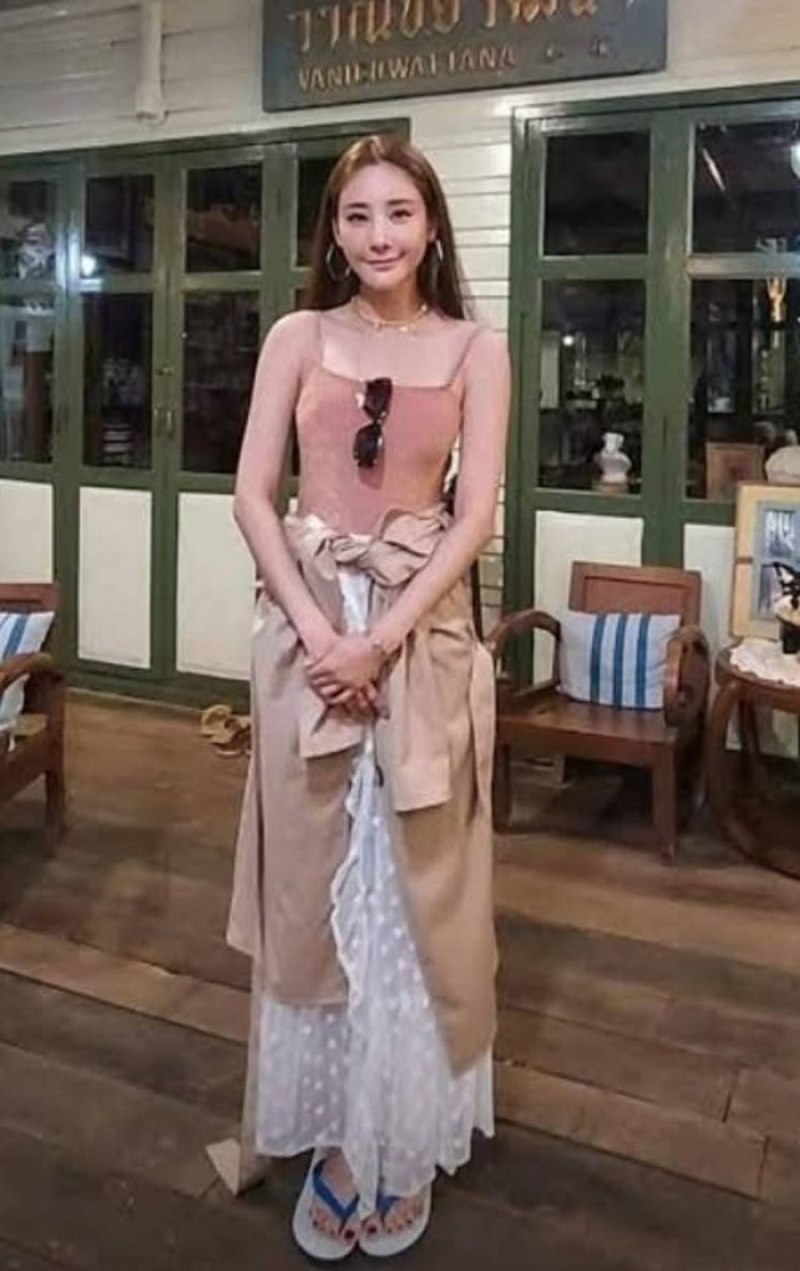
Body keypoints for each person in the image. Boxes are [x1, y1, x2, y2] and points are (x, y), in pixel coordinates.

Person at [227, 133, 510, 1260]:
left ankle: (397, 1134)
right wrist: (317, 631)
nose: (378, 234)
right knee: (312, 881)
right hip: (308, 633)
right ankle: (334, 1130)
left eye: (398, 212)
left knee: (414, 881)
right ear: (333, 232)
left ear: (431, 225)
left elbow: (475, 515)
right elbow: (253, 495)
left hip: (416, 637)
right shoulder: (296, 337)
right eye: (357, 215)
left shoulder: (476, 347)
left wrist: (379, 642)